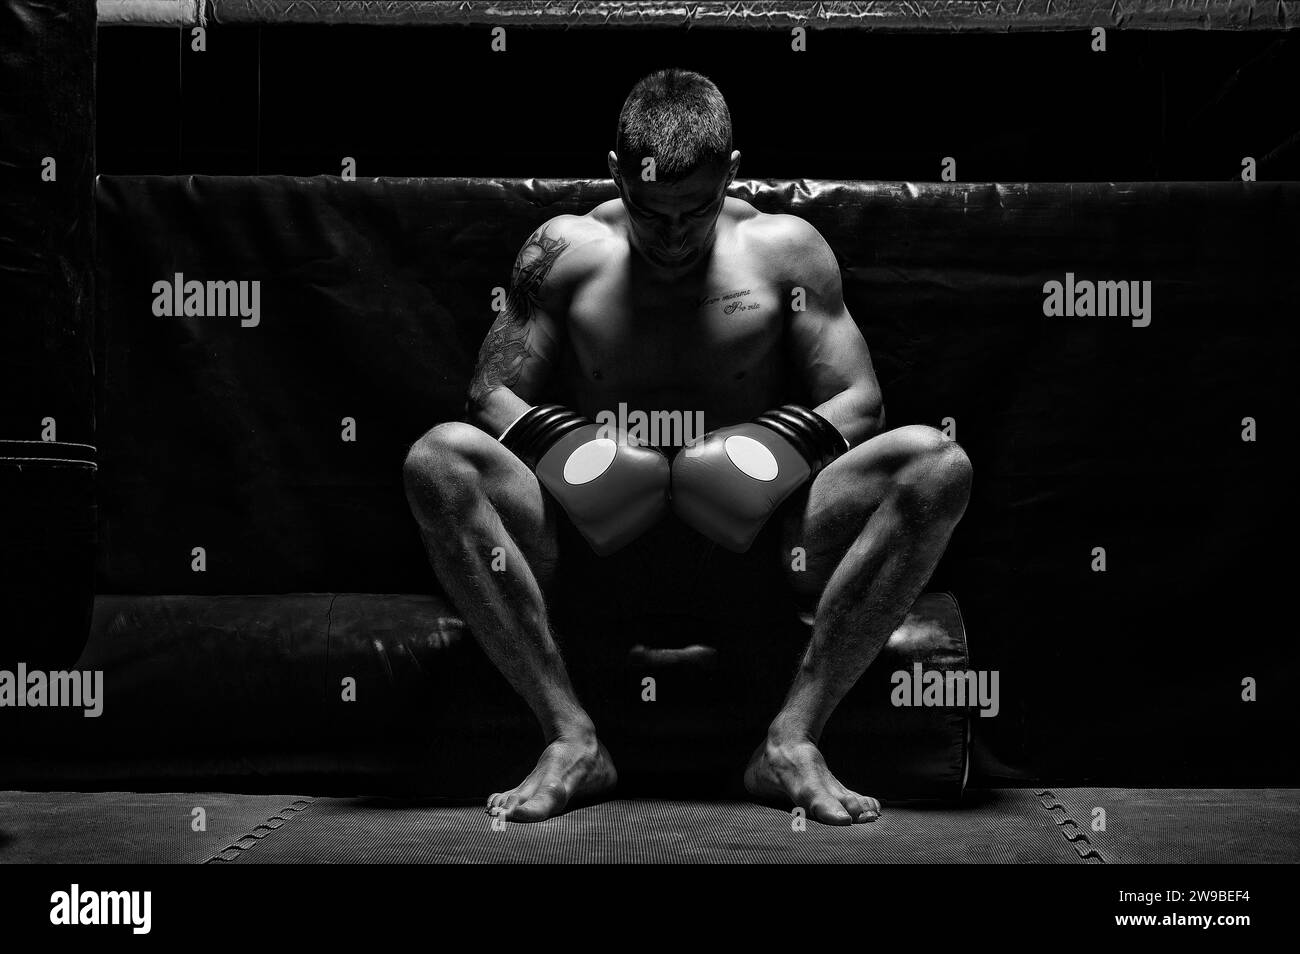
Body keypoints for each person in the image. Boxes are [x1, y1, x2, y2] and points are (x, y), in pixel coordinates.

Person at [403, 68, 972, 825]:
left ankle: (792, 740)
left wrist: (754, 457)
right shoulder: (564, 249)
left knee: (938, 464)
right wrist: (593, 462)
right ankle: (572, 739)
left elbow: (860, 398)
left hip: (760, 539)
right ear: (615, 173)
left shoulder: (785, 250)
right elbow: (489, 393)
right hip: (593, 538)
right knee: (437, 460)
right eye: (651, 211)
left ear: (733, 174)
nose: (672, 236)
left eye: (695, 210)